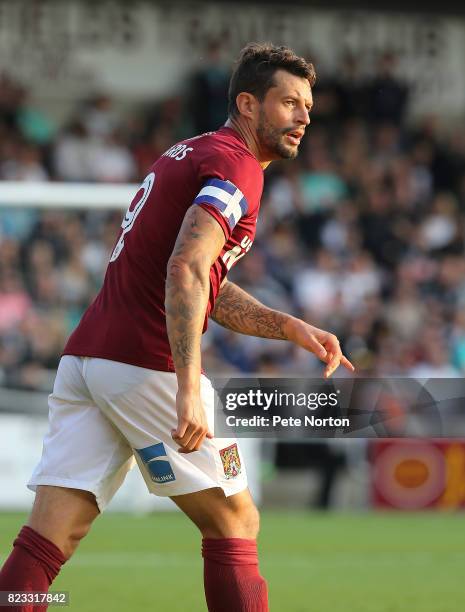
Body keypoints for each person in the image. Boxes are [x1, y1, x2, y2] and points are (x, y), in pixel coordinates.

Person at [0, 43, 354, 612]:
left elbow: (199, 275)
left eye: (307, 106)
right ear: (247, 102)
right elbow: (187, 269)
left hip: (89, 359)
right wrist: (189, 388)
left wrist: (286, 325)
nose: (303, 116)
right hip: (145, 363)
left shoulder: (190, 153)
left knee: (49, 539)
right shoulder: (237, 163)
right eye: (288, 102)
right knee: (236, 520)